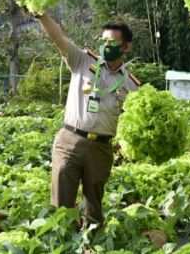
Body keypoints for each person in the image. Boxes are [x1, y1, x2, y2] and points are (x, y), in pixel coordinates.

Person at [35, 12, 140, 228]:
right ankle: (60, 245)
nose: (106, 45)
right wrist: (41, 15)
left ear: (126, 47)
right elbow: (58, 38)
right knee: (61, 209)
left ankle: (90, 246)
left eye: (112, 42)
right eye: (104, 41)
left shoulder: (131, 85)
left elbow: (132, 123)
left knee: (93, 211)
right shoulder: (83, 60)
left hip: (101, 150)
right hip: (70, 141)